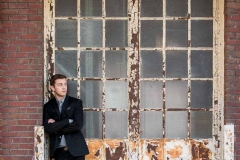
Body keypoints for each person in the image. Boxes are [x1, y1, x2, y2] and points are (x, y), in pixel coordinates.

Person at [43, 74, 89, 160]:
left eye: (65, 84)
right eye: (60, 84)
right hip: (59, 152)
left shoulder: (76, 103)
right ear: (52, 88)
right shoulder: (48, 106)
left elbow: (78, 125)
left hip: (77, 151)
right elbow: (48, 129)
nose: (64, 87)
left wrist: (56, 127)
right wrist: (67, 121)